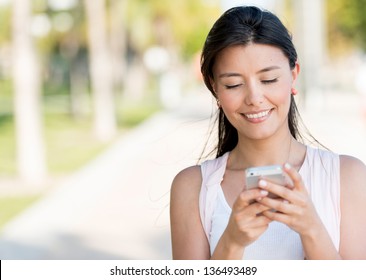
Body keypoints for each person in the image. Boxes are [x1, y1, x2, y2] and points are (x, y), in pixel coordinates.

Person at [170, 5, 366, 260]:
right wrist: (232, 241)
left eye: (269, 80)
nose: (254, 98)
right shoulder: (193, 188)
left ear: (294, 76)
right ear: (214, 88)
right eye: (234, 84)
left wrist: (312, 229)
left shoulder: (347, 177)